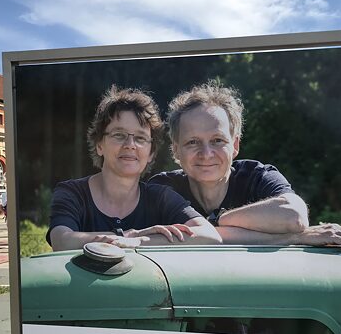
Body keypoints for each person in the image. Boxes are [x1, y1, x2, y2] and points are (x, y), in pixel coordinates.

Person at [150, 81, 341, 254]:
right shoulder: (162, 189)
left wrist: (221, 220)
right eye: (192, 142)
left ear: (235, 145)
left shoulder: (257, 175)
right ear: (176, 151)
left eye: (217, 140)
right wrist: (293, 238)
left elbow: (294, 216)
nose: (206, 154)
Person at [48, 86, 221, 251]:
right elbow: (62, 240)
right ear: (99, 144)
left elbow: (209, 235)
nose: (130, 145)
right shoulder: (72, 193)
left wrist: (139, 240)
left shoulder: (161, 197)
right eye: (119, 135)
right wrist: (125, 237)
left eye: (140, 138)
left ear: (151, 152)